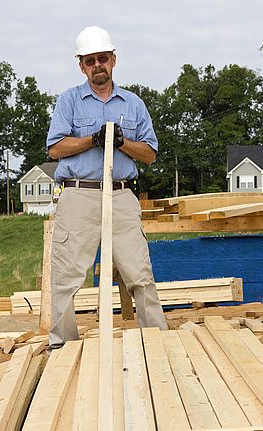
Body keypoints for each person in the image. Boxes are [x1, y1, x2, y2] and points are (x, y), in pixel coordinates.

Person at [46, 25, 167, 350]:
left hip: (122, 195)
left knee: (140, 274)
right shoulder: (69, 102)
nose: (97, 64)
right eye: (90, 60)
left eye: (102, 58)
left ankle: (156, 345)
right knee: (66, 277)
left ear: (113, 60)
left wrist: (122, 142)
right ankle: (62, 347)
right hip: (79, 195)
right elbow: (55, 149)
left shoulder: (133, 104)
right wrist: (92, 140)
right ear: (81, 65)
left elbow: (150, 154)